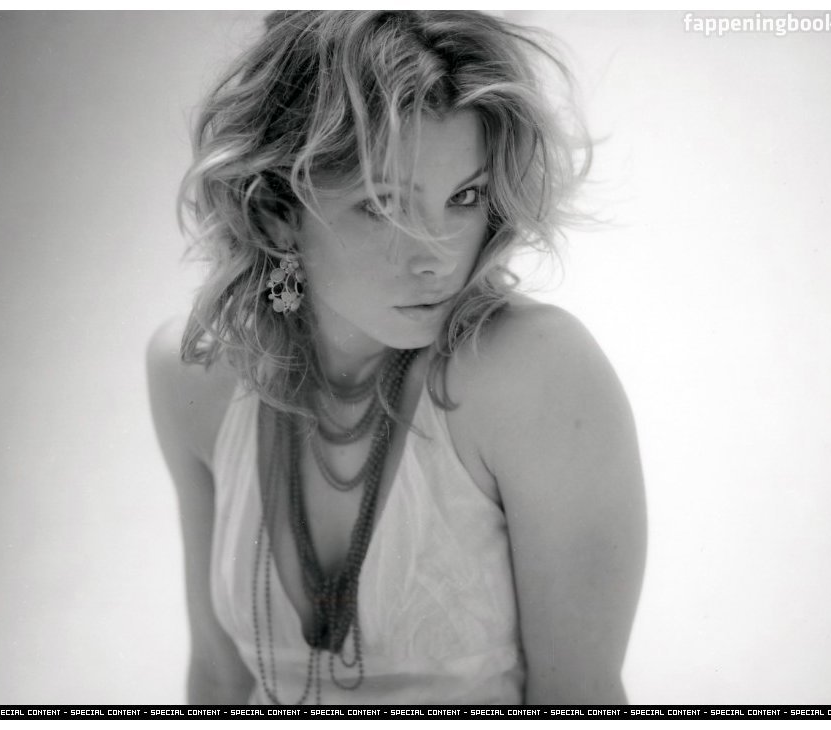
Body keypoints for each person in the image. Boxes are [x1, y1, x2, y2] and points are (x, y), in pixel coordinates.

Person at [147, 10, 646, 706]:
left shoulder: (531, 374)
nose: (437, 256)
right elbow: (218, 678)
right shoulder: (195, 372)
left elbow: (579, 698)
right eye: (383, 206)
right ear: (277, 212)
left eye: (464, 196)